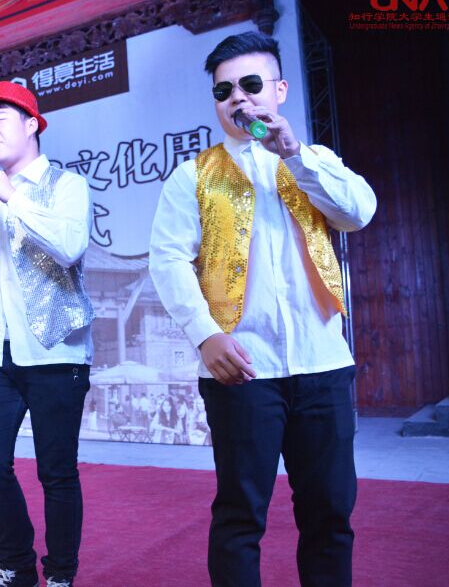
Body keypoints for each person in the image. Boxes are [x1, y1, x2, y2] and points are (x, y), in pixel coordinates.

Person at [149, 31, 376, 587]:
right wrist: (205, 335)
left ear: (280, 90)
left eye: (251, 84)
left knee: (330, 513)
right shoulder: (193, 175)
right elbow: (168, 259)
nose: (238, 98)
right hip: (241, 367)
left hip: (321, 363)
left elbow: (357, 213)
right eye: (224, 90)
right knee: (239, 514)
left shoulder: (315, 160)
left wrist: (294, 155)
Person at [0, 81, 94, 587]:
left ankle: (59, 573)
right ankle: (16, 564)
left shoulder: (66, 185)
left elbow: (69, 246)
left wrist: (12, 195)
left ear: (33, 124)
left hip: (56, 349)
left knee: (56, 471)